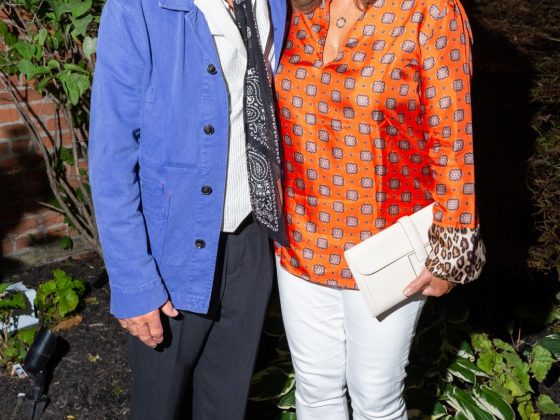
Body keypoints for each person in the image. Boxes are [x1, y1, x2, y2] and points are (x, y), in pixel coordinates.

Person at [274, 0, 486, 418]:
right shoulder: (294, 8)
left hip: (387, 246)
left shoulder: (431, 11)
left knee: (375, 398)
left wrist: (450, 251)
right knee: (314, 388)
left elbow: (453, 138)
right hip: (301, 237)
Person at [88, 0, 288, 418]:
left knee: (226, 406)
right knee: (160, 407)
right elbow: (111, 157)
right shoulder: (136, 9)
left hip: (251, 239)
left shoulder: (274, 4)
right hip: (173, 251)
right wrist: (133, 281)